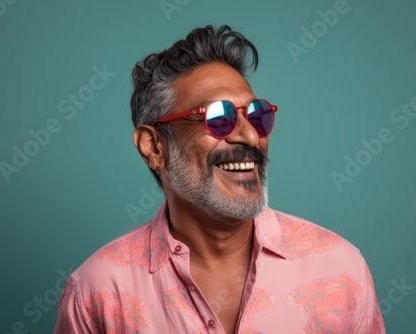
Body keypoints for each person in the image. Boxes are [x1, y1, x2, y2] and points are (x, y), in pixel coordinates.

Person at [54, 25, 385, 334]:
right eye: (218, 117)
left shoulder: (340, 268)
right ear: (154, 146)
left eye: (257, 115)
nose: (250, 136)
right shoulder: (96, 294)